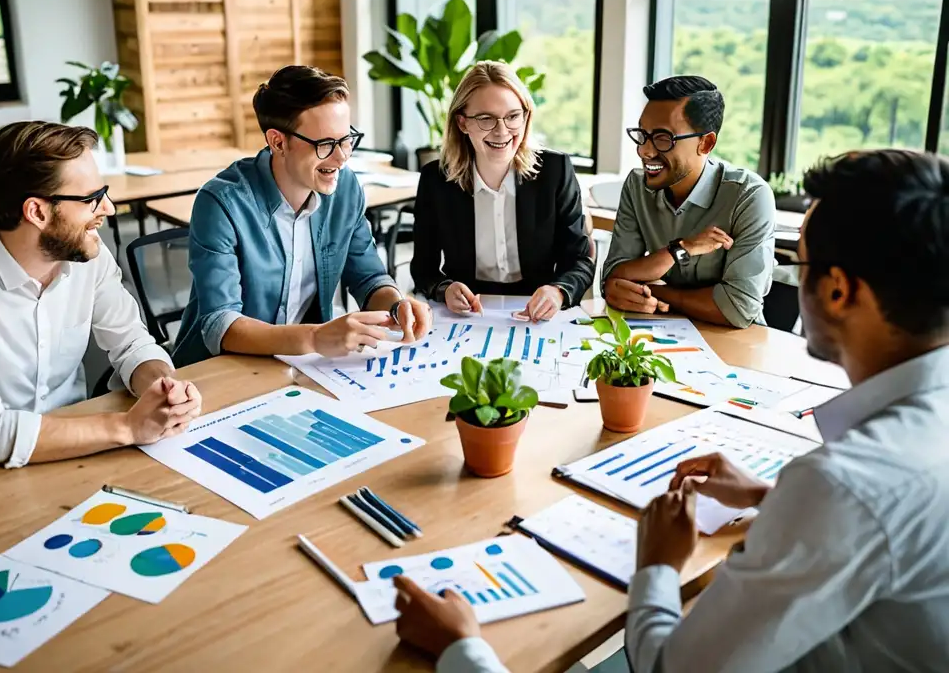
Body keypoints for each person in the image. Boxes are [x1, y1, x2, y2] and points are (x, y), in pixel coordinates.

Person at [392, 148, 949, 672]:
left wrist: (656, 561)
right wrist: (772, 499)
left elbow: (668, 665)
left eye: (798, 261)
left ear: (838, 291)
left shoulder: (845, 487)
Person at [0, 121, 202, 467]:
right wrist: (127, 427)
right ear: (37, 211)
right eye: (92, 200)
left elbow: (131, 343)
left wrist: (166, 387)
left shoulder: (87, 254)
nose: (109, 209)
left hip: (75, 453)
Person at [173, 65, 430, 367]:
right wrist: (315, 338)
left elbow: (369, 277)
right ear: (278, 142)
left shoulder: (346, 189)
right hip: (220, 369)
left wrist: (397, 305)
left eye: (346, 140)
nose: (342, 157)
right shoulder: (221, 203)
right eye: (325, 144)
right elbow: (221, 324)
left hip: (299, 366)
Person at [411, 61, 594, 321]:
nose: (502, 131)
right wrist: (443, 289)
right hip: (468, 314)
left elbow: (580, 259)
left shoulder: (555, 171)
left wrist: (558, 291)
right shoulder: (435, 180)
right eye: (486, 118)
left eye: (512, 116)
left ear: (525, 116)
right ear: (462, 123)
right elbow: (423, 267)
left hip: (537, 310)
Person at [601, 76, 775, 328]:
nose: (645, 151)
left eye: (663, 138)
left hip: (735, 342)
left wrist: (655, 290)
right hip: (659, 333)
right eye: (643, 135)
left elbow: (738, 309)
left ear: (706, 143)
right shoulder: (637, 186)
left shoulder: (749, 195)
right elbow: (613, 280)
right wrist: (679, 250)